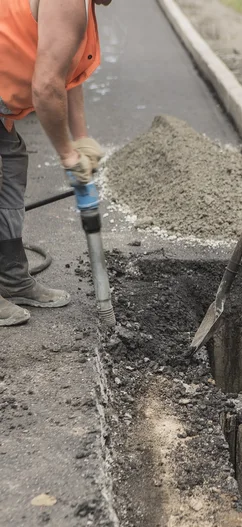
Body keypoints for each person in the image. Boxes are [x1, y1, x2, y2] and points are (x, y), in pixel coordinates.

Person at [0, 0, 112, 327]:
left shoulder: (84, 7)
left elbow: (67, 76)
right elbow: (46, 87)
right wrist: (67, 155)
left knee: (11, 165)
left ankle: (12, 279)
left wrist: (81, 141)